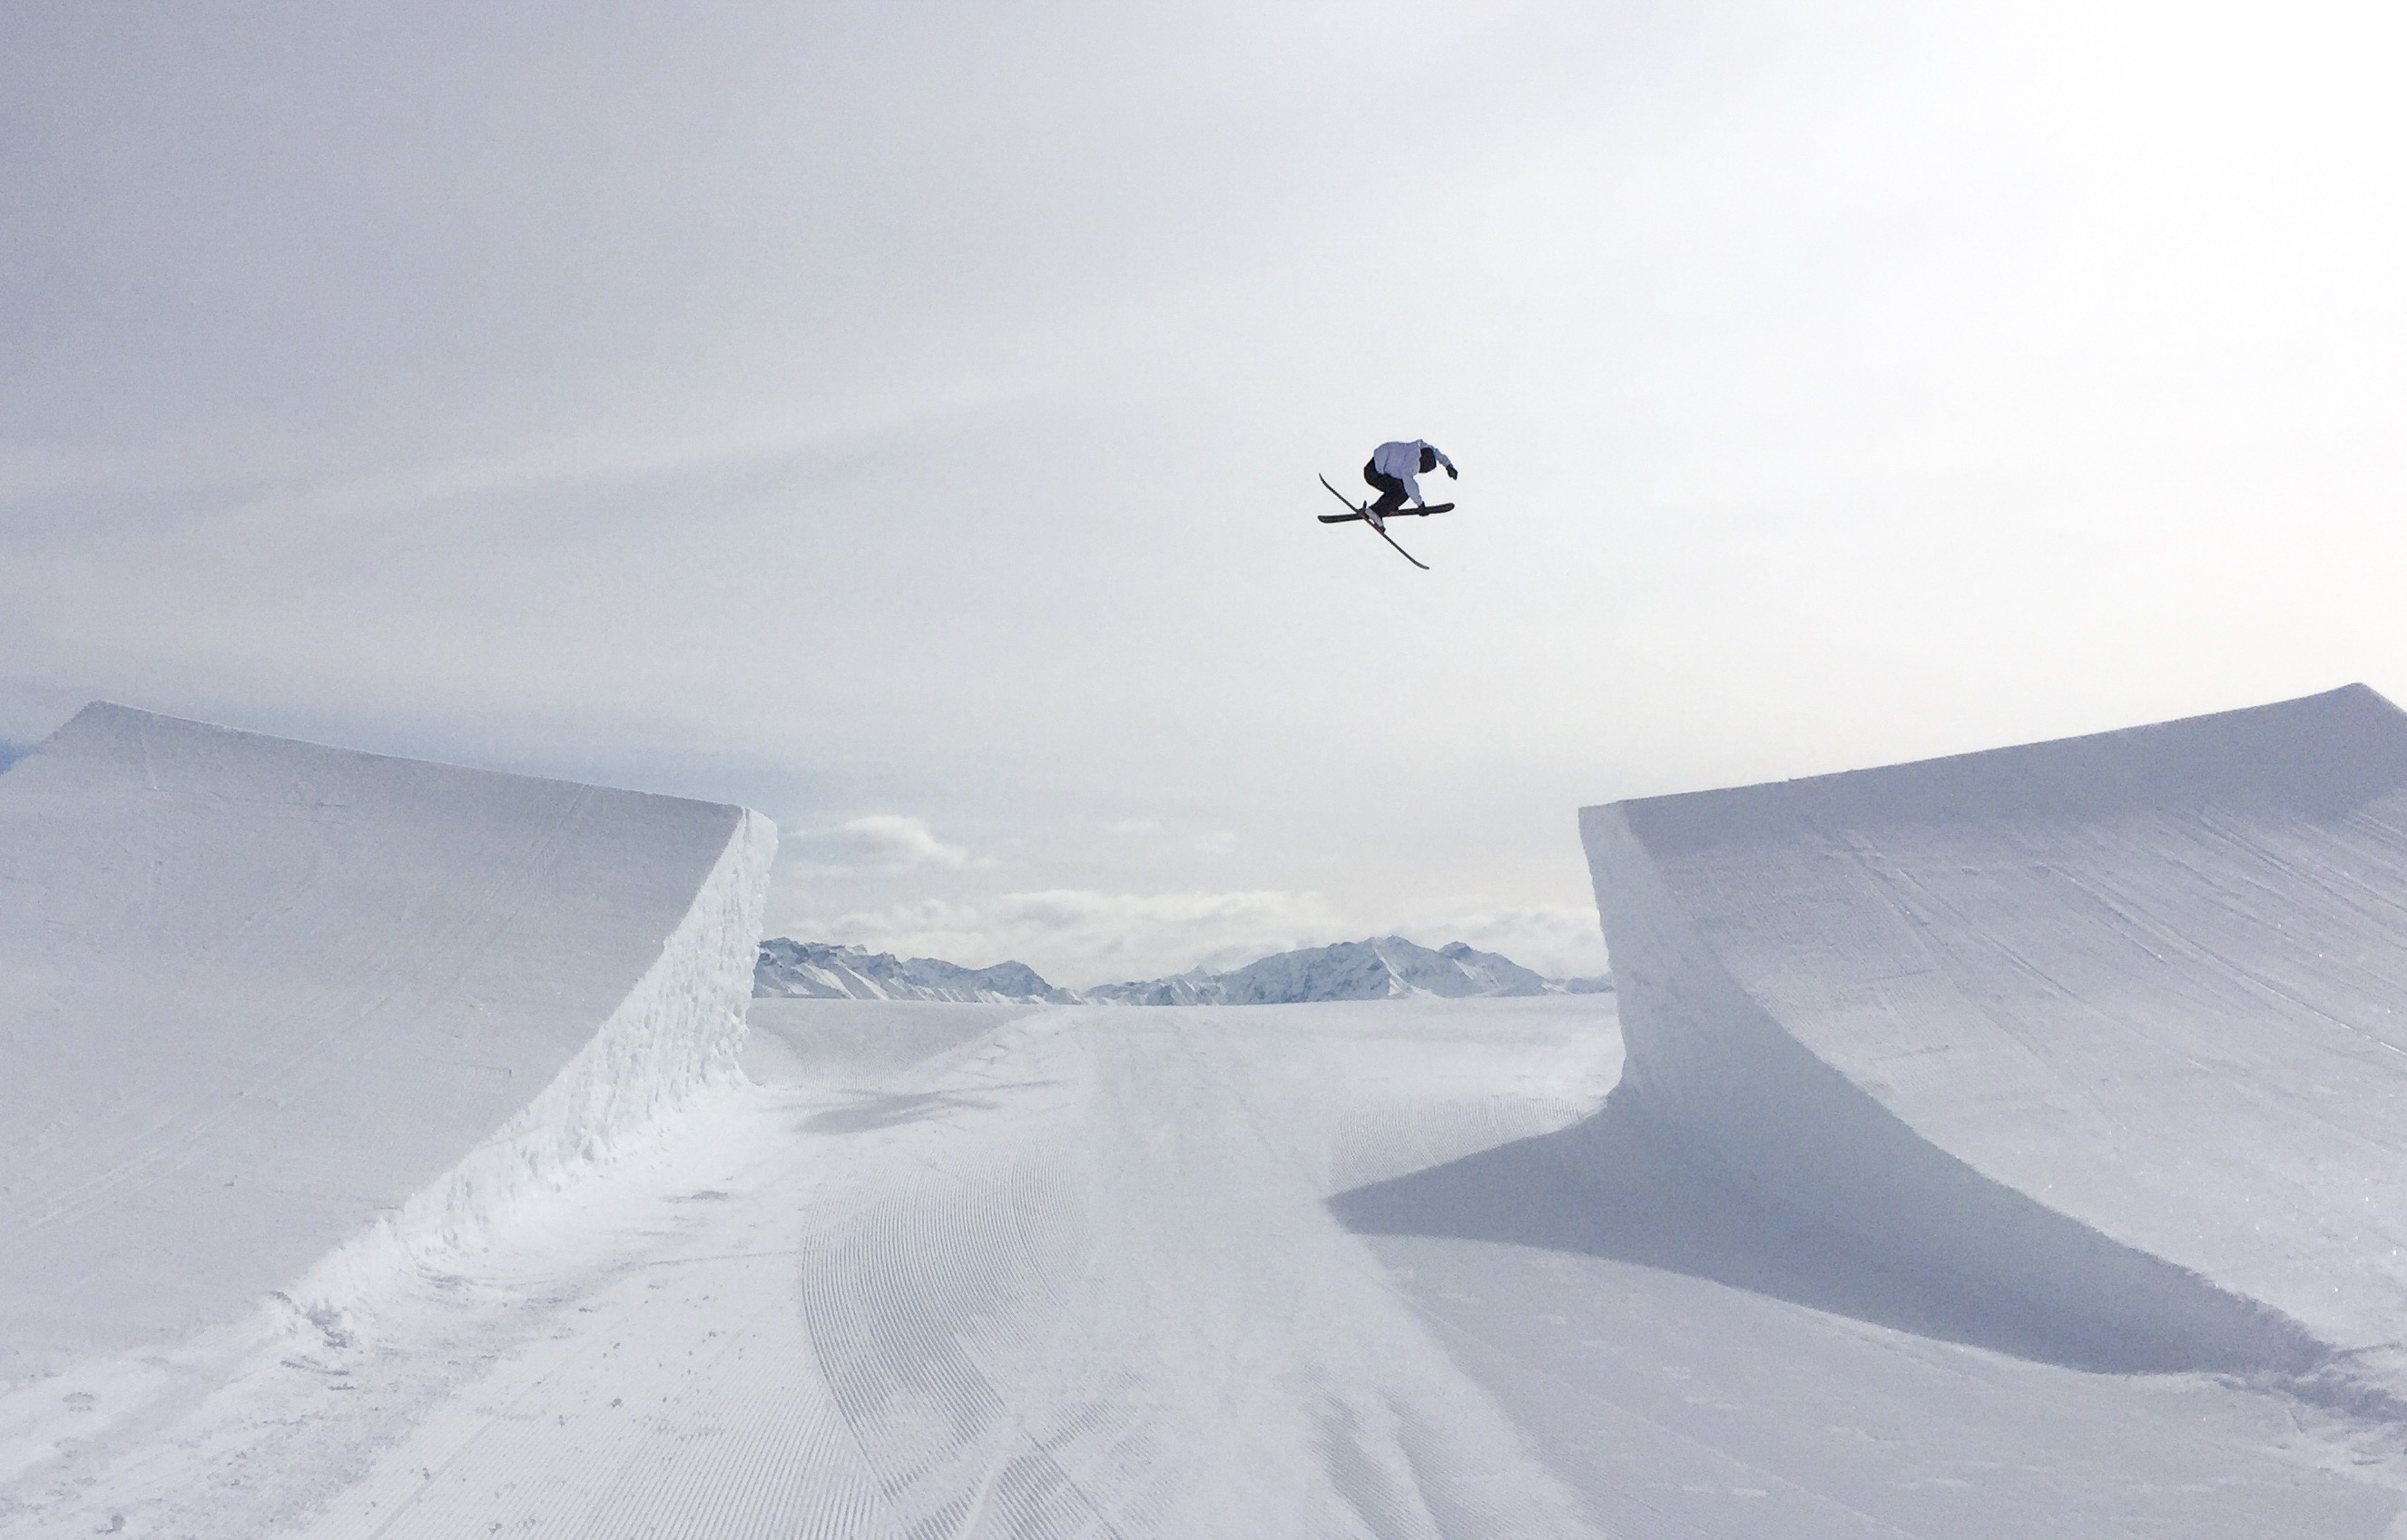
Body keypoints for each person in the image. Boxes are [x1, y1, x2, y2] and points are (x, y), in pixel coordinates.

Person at [1362, 439, 1458, 516]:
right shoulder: (1413, 463)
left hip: (1375, 465)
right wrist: (1420, 504)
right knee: (1402, 492)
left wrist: (1448, 466)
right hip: (1374, 473)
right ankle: (1375, 511)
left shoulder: (1419, 447)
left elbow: (1436, 452)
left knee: (1398, 488)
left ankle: (1388, 505)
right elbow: (1410, 485)